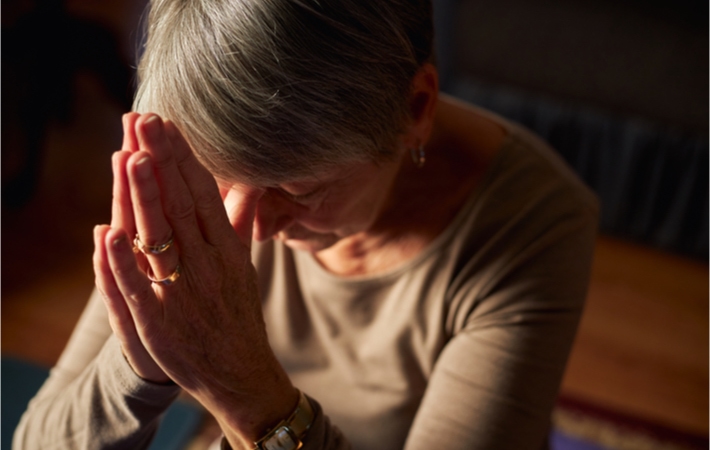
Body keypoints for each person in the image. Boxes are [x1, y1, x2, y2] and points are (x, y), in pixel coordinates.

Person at [13, 0, 598, 449]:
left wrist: (247, 393)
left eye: (299, 191)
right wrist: (147, 352)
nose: (247, 230)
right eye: (218, 175)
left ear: (414, 111)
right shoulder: (185, 173)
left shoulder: (539, 224)